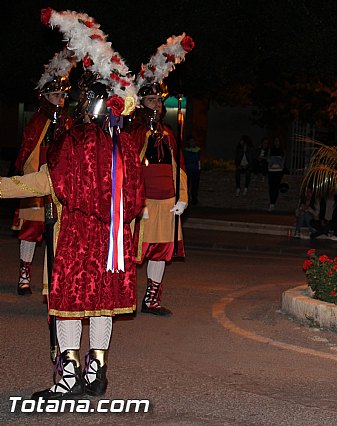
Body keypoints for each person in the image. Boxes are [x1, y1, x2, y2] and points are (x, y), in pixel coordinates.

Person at [3, 7, 143, 399]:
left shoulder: (75, 141)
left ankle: (67, 378)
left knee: (68, 305)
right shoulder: (127, 147)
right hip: (113, 242)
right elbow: (134, 200)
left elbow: (49, 181)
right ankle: (96, 372)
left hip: (78, 236)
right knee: (101, 305)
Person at [130, 33, 194, 316]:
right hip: (142, 203)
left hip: (167, 203)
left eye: (159, 100)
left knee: (161, 252)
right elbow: (128, 167)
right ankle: (124, 296)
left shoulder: (168, 133)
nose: (157, 105)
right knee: (133, 252)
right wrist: (136, 201)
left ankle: (151, 299)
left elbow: (177, 167)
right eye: (152, 100)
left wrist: (183, 197)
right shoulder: (133, 132)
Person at [14, 48, 75, 296]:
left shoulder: (68, 122)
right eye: (55, 95)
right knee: (31, 230)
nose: (59, 99)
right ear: (44, 96)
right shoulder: (36, 121)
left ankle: (53, 278)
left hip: (58, 184)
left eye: (62, 95)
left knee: (58, 233)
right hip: (36, 181)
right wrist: (32, 178)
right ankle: (24, 274)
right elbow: (28, 151)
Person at [267, 137, 285, 211]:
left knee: (276, 187)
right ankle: (271, 203)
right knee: (271, 187)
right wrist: (271, 161)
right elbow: (268, 159)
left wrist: (280, 162)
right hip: (271, 170)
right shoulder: (270, 149)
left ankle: (273, 203)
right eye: (275, 141)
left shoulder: (282, 150)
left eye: (278, 141)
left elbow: (283, 161)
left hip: (279, 170)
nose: (276, 142)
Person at [183, 135, 201, 206]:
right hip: (187, 170)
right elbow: (185, 159)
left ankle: (194, 200)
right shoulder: (185, 150)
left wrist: (199, 169)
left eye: (193, 141)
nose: (192, 143)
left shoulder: (198, 150)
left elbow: (198, 160)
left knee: (195, 186)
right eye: (191, 141)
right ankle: (186, 200)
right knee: (186, 186)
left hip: (195, 170)